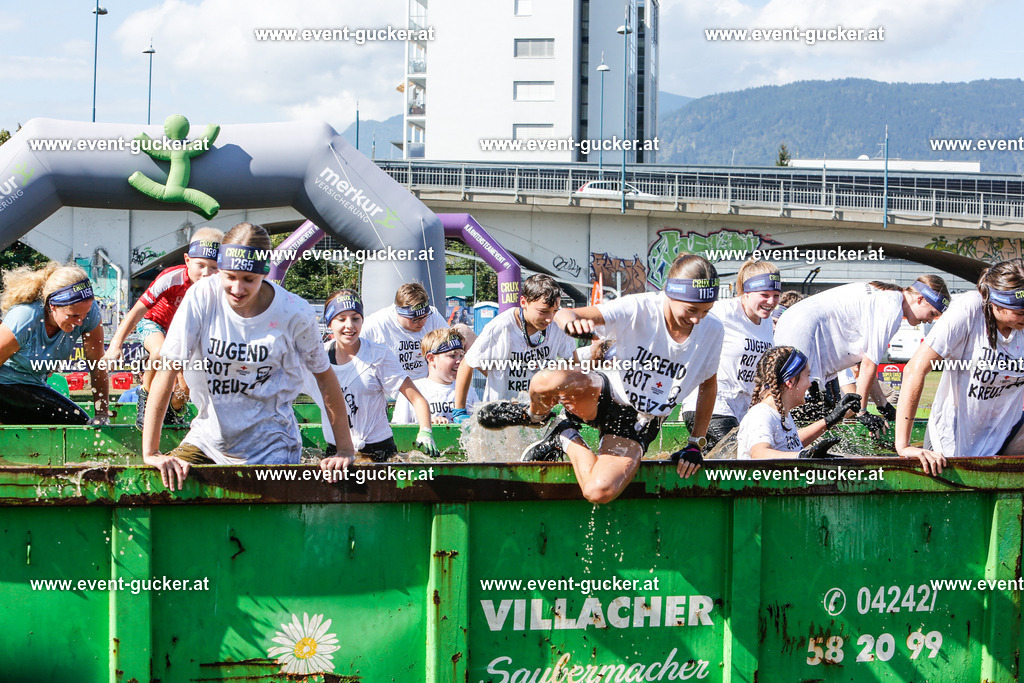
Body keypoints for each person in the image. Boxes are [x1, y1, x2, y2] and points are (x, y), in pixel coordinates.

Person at [473, 254, 724, 504]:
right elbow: (566, 314)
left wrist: (695, 444)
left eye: (706, 310)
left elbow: (708, 385)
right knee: (544, 381)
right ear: (670, 294)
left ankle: (564, 434)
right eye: (691, 310)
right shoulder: (640, 307)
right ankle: (536, 416)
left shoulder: (712, 329)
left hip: (637, 422)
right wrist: (572, 323)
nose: (697, 319)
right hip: (602, 393)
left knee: (597, 492)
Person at [141, 222, 355, 489]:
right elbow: (169, 367)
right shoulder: (201, 296)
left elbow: (324, 377)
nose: (238, 289)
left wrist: (344, 450)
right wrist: (151, 452)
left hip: (272, 449)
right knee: (160, 486)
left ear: (264, 272)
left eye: (248, 279)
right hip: (208, 440)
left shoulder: (294, 313)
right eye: (229, 276)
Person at [774, 275, 949, 435]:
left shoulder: (888, 297)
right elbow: (868, 366)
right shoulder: (892, 309)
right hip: (802, 331)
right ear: (920, 299)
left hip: (797, 324)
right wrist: (862, 412)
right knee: (794, 403)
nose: (929, 321)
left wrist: (883, 405)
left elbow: (863, 365)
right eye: (932, 314)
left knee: (803, 404)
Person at [896, 259, 1024, 474]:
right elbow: (915, 369)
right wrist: (903, 446)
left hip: (1006, 433)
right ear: (996, 303)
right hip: (953, 438)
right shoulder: (969, 309)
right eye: (1020, 313)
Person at [104, 227, 223, 428]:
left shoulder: (220, 285)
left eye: (213, 267)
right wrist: (115, 345)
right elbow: (137, 310)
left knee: (185, 389)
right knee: (160, 353)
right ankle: (145, 395)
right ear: (187, 260)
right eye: (200, 265)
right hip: (155, 324)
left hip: (186, 333)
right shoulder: (172, 277)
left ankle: (172, 414)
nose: (206, 273)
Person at [310, 289, 439, 459]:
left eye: (355, 319)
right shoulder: (315, 357)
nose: (349, 325)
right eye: (341, 319)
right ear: (329, 323)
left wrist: (425, 431)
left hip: (378, 450)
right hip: (336, 452)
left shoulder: (378, 354)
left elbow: (417, 398)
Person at [680, 259, 780, 448]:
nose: (771, 302)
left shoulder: (766, 321)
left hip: (740, 408)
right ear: (747, 291)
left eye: (776, 295)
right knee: (739, 457)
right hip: (711, 405)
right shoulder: (722, 312)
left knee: (727, 465)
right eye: (764, 295)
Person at [452, 274, 577, 421]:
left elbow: (574, 365)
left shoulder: (557, 326)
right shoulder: (500, 327)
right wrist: (459, 411)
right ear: (523, 302)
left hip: (539, 412)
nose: (549, 318)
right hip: (500, 414)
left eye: (554, 311)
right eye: (543, 311)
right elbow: (467, 363)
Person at [0, 262, 109, 424]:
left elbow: (97, 366)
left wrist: (102, 414)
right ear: (53, 306)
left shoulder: (90, 313)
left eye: (84, 314)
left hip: (34, 386)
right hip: (4, 385)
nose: (80, 322)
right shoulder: (24, 318)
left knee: (80, 423)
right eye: (73, 316)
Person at [737, 346, 861, 459]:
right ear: (790, 381)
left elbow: (789, 444)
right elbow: (759, 453)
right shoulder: (761, 415)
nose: (810, 383)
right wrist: (803, 456)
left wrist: (831, 419)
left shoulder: (780, 413)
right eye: (807, 375)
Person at [360, 282, 450, 379]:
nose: (422, 323)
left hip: (424, 383)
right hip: (390, 387)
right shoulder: (376, 323)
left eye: (425, 317)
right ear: (399, 313)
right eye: (415, 319)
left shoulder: (433, 315)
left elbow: (452, 341)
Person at [392, 327, 479, 424]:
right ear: (431, 359)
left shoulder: (468, 390)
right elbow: (400, 429)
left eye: (461, 355)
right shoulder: (413, 390)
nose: (459, 361)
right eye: (452, 355)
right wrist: (428, 424)